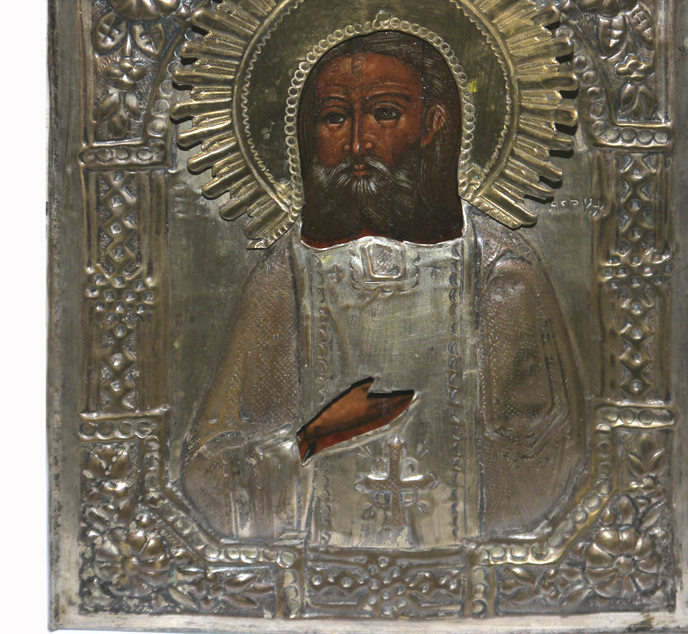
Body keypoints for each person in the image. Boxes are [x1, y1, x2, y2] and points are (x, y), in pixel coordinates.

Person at [182, 32, 585, 547]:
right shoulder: (285, 279)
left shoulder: (499, 276)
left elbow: (550, 462)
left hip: (463, 574)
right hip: (320, 574)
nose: (357, 143)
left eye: (385, 114)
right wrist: (315, 438)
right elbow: (209, 472)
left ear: (432, 123)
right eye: (334, 118)